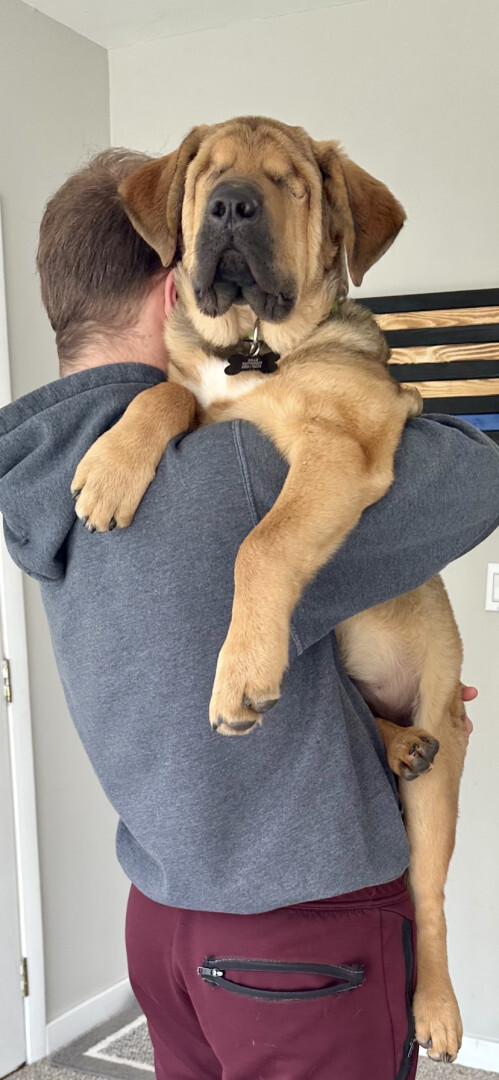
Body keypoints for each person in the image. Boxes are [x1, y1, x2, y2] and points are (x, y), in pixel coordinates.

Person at [0, 148, 495, 1080]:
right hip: (301, 942)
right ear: (172, 292)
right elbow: (473, 478)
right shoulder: (238, 473)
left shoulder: (51, 478)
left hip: (161, 918)